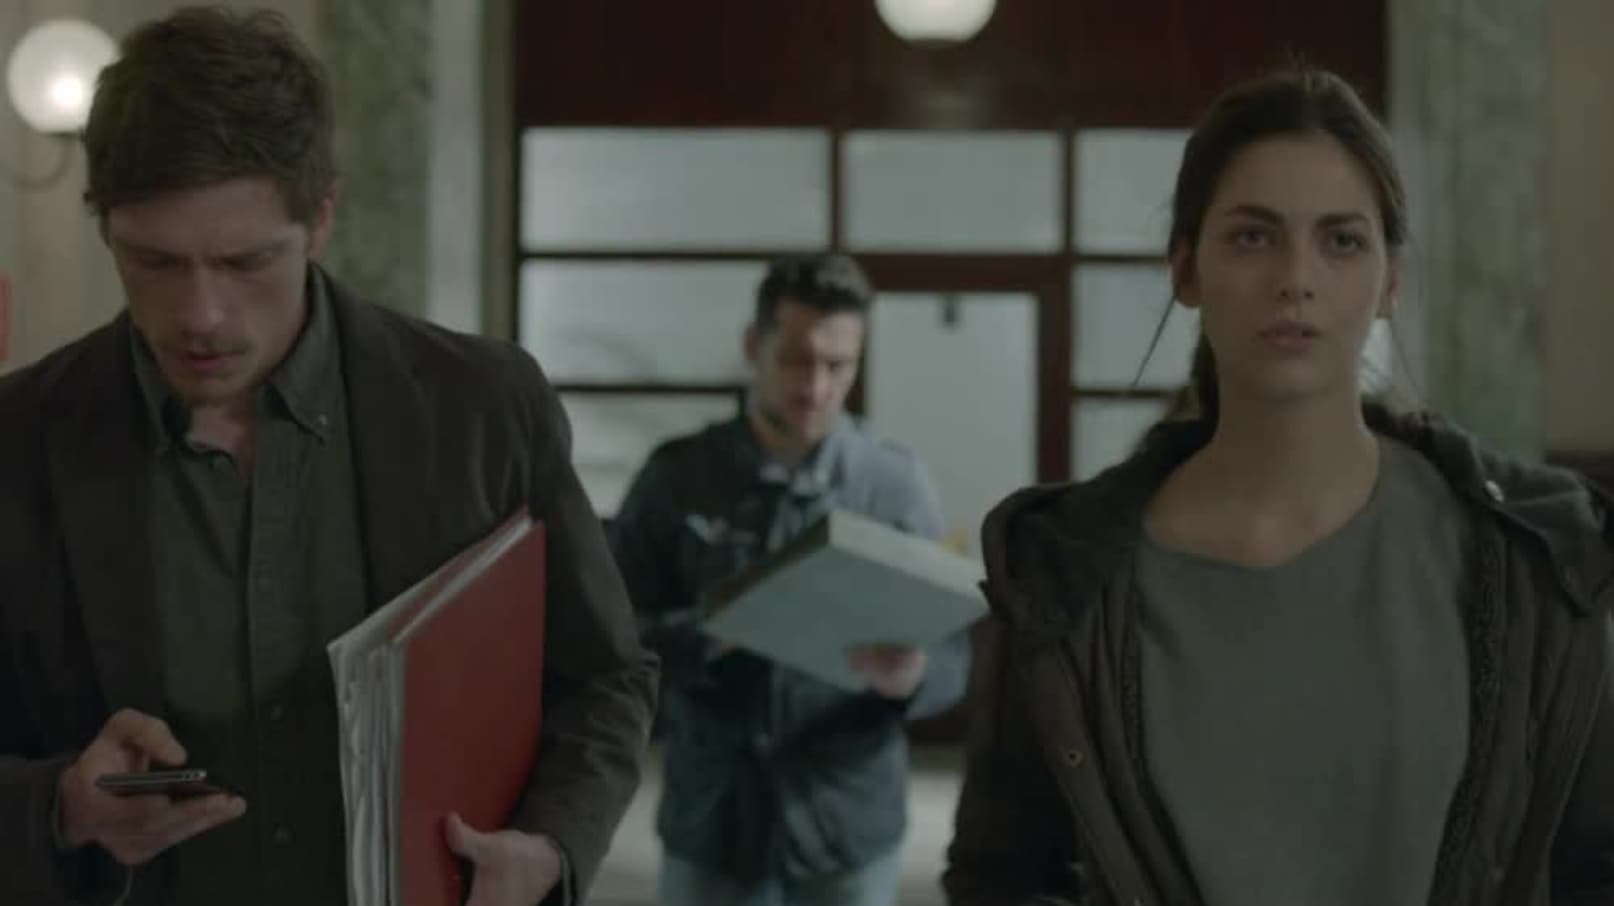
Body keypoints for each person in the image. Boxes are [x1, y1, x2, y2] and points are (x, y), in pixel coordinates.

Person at [0, 8, 657, 906]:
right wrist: (58, 809)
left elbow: (606, 678)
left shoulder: (481, 406)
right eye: (154, 262)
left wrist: (550, 846)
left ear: (321, 219)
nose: (201, 316)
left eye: (246, 262)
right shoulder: (20, 438)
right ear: (103, 227)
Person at [944, 68, 1614, 906]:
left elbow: (1595, 862)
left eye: (1342, 241)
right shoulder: (1065, 578)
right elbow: (1003, 876)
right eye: (1253, 237)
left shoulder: (1529, 557)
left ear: (1391, 282)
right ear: (1186, 269)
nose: (1296, 278)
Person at [609, 253, 971, 906]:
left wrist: (911, 678)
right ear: (755, 346)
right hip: (715, 822)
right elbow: (614, 637)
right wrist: (714, 632)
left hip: (847, 823)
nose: (817, 387)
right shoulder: (678, 475)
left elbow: (952, 659)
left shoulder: (894, 483)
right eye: (797, 360)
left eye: (839, 365)